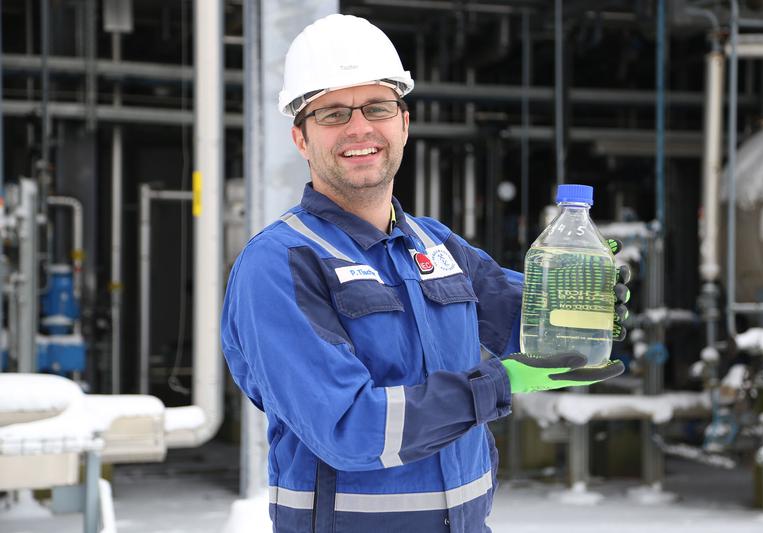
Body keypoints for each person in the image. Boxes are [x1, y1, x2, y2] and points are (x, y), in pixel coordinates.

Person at [221, 14, 629, 533]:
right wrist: (496, 384)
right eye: (332, 114)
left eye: (377, 107)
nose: (359, 128)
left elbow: (529, 325)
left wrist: (584, 297)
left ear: (404, 122)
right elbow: (348, 428)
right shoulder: (280, 263)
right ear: (301, 138)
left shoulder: (434, 243)